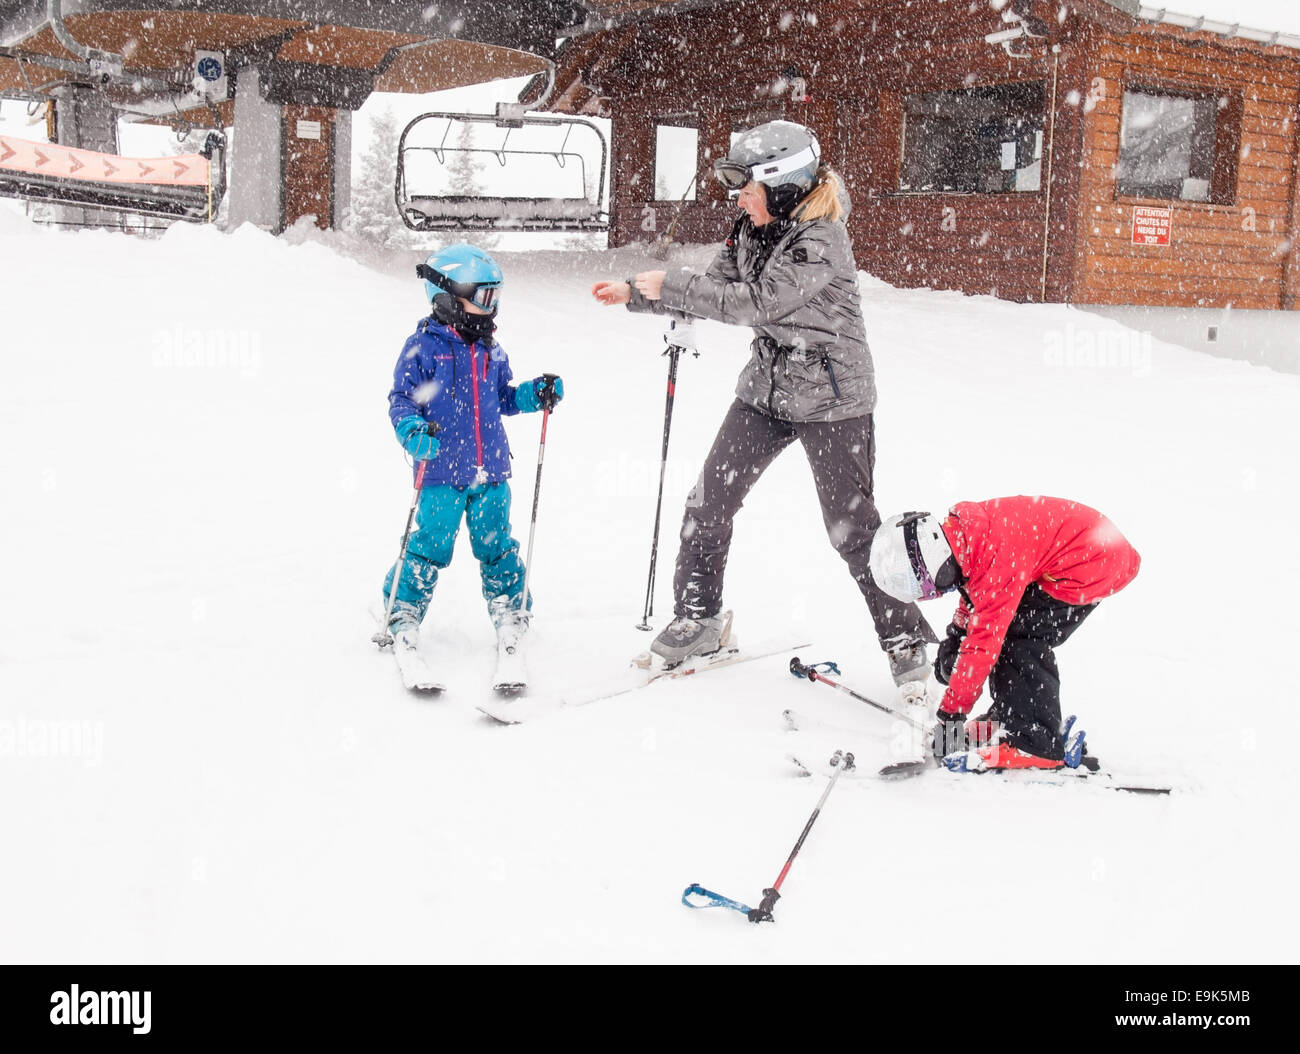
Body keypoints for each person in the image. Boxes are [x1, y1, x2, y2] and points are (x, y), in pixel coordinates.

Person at [592, 120, 935, 690]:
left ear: (784, 186)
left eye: (749, 189)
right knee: (708, 502)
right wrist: (638, 295)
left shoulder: (822, 239)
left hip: (833, 399)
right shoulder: (749, 228)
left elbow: (754, 303)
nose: (740, 199)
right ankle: (700, 618)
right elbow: (715, 289)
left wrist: (667, 285)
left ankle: (905, 640)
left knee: (851, 532)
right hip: (766, 391)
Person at [381, 243, 564, 659]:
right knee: (428, 547)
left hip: (491, 472)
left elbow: (503, 398)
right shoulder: (422, 347)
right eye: (484, 296)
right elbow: (401, 400)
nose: (492, 307)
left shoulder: (490, 349)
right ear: (446, 295)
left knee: (497, 545)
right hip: (442, 471)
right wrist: (412, 430)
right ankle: (403, 607)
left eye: (496, 296)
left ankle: (510, 607)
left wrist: (534, 394)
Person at [868, 496, 1141, 770]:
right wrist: (957, 632)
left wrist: (951, 714)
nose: (934, 593)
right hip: (1085, 552)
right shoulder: (966, 538)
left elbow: (984, 643)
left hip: (1094, 564)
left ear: (937, 558)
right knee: (1008, 631)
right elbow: (977, 590)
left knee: (1017, 638)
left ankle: (1036, 742)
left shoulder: (995, 556)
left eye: (929, 585)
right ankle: (1012, 714)